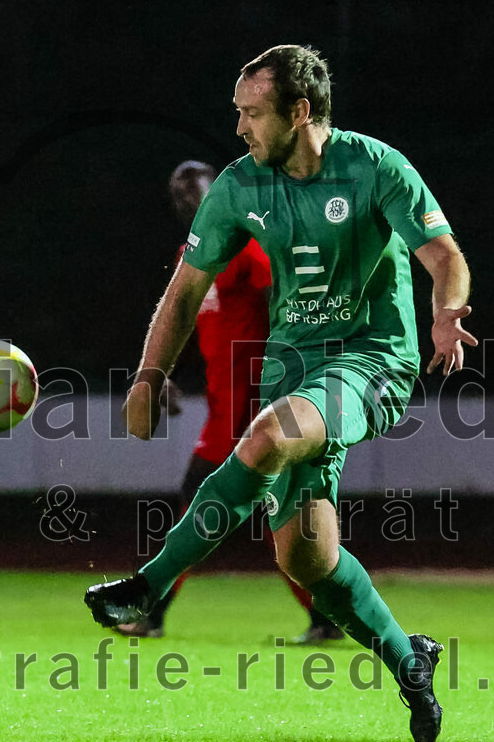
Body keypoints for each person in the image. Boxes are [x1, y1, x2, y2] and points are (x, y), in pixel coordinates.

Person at [86, 44, 477, 742]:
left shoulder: (375, 167)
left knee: (264, 438)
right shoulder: (238, 186)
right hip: (291, 370)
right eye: (238, 112)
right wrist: (149, 372)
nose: (239, 128)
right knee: (305, 559)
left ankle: (150, 582)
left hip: (371, 360)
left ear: (299, 112)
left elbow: (444, 255)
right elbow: (185, 291)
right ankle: (408, 658)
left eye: (252, 113)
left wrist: (446, 311)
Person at [115, 160, 342, 644]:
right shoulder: (192, 256)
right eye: (179, 194)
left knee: (198, 505)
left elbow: (287, 299)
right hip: (224, 406)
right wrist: (161, 376)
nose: (188, 199)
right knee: (271, 518)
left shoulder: (246, 246)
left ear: (218, 190)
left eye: (196, 188)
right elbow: (182, 319)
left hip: (256, 407)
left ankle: (150, 611)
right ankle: (329, 615)